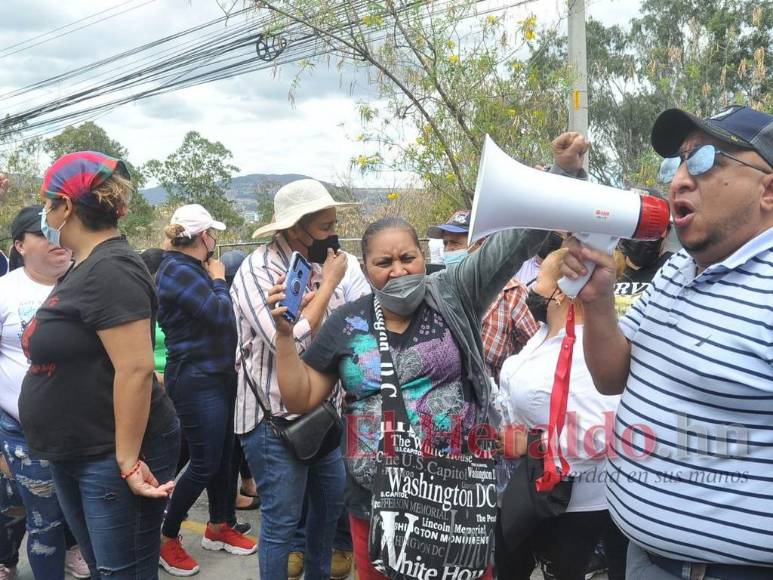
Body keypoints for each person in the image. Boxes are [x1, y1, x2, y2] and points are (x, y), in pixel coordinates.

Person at [560, 105, 773, 579]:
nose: (677, 180)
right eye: (676, 163)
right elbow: (613, 377)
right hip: (646, 559)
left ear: (769, 189)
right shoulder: (678, 270)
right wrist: (596, 302)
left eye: (703, 161)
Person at [18, 151, 180, 579]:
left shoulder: (112, 268)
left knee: (121, 571)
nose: (45, 213)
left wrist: (127, 460)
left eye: (47, 202)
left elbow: (136, 368)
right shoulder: (86, 265)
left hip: (109, 453)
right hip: (81, 447)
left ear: (66, 206)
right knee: (106, 568)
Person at [230, 178, 367, 580]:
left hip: (322, 415)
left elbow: (340, 327)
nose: (332, 234)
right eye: (325, 226)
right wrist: (327, 288)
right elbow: (283, 339)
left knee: (326, 514)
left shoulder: (312, 266)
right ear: (295, 228)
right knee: (282, 525)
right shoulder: (259, 271)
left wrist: (323, 294)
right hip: (272, 422)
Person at [497, 248, 626, 580]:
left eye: (538, 281)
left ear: (561, 292)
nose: (529, 290)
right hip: (529, 487)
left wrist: (533, 444)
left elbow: (603, 434)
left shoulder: (590, 348)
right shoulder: (543, 334)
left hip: (572, 505)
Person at [156, 205, 256, 576]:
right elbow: (218, 314)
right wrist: (219, 278)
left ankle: (220, 525)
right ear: (202, 237)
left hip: (217, 375)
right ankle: (164, 537)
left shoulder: (188, 269)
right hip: (197, 379)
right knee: (203, 463)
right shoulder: (175, 271)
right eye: (212, 233)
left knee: (226, 457)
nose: (215, 241)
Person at [0, 206, 90, 579]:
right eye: (43, 233)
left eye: (59, 231)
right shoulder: (6, 291)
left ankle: (75, 551)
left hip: (90, 432)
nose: (57, 240)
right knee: (44, 524)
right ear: (20, 245)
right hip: (25, 436)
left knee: (84, 519)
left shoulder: (89, 282)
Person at [613, 190, 674, 317]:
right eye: (635, 223)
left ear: (666, 232)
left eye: (652, 225)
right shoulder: (607, 268)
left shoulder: (675, 269)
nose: (641, 234)